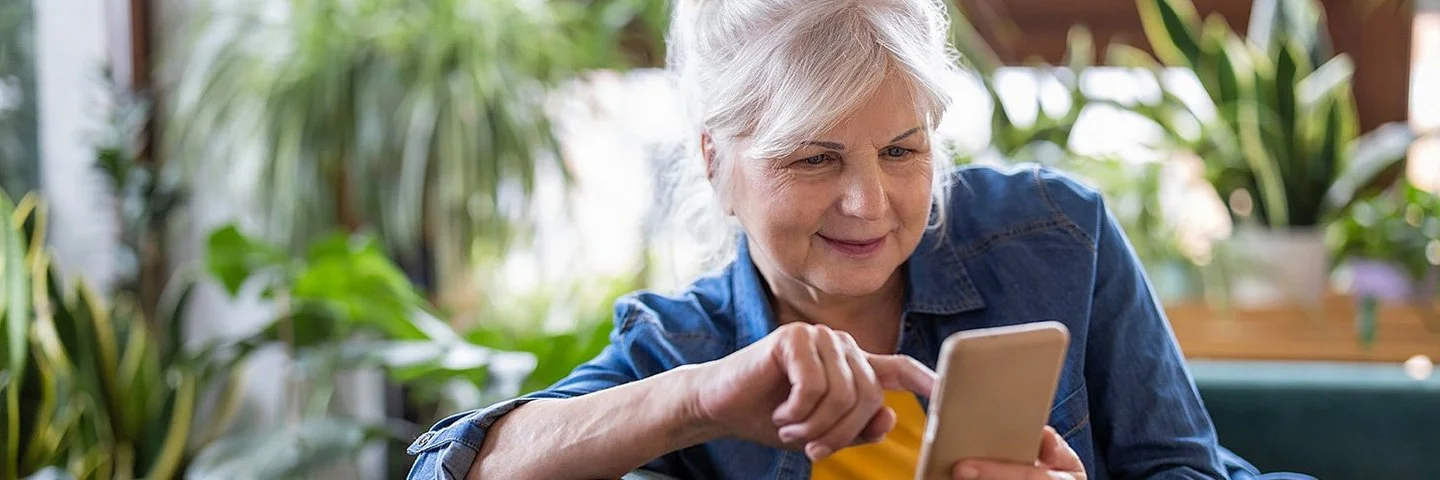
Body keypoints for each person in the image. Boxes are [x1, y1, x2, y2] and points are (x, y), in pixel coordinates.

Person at [406, 0, 1243, 478]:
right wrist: (699, 402)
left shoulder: (1054, 236)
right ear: (714, 160)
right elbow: (442, 468)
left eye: (902, 151)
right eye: (814, 158)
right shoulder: (683, 351)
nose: (868, 204)